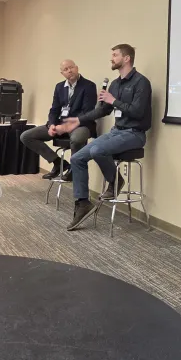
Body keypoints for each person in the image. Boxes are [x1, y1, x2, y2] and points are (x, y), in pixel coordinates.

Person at [55, 44, 152, 231]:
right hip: (117, 132)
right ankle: (82, 203)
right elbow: (102, 111)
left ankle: (116, 181)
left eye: (115, 55)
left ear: (127, 58)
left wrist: (112, 100)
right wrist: (77, 121)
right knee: (77, 157)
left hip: (134, 134)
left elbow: (138, 112)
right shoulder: (115, 84)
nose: (112, 58)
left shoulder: (141, 82)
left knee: (98, 150)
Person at [20, 60, 97, 181]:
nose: (69, 71)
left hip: (81, 125)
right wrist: (51, 125)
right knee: (26, 136)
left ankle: (74, 169)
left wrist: (67, 127)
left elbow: (87, 112)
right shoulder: (59, 87)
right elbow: (54, 110)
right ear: (62, 73)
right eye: (66, 69)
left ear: (77, 68)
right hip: (60, 124)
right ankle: (58, 163)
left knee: (77, 138)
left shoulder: (89, 86)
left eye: (71, 67)